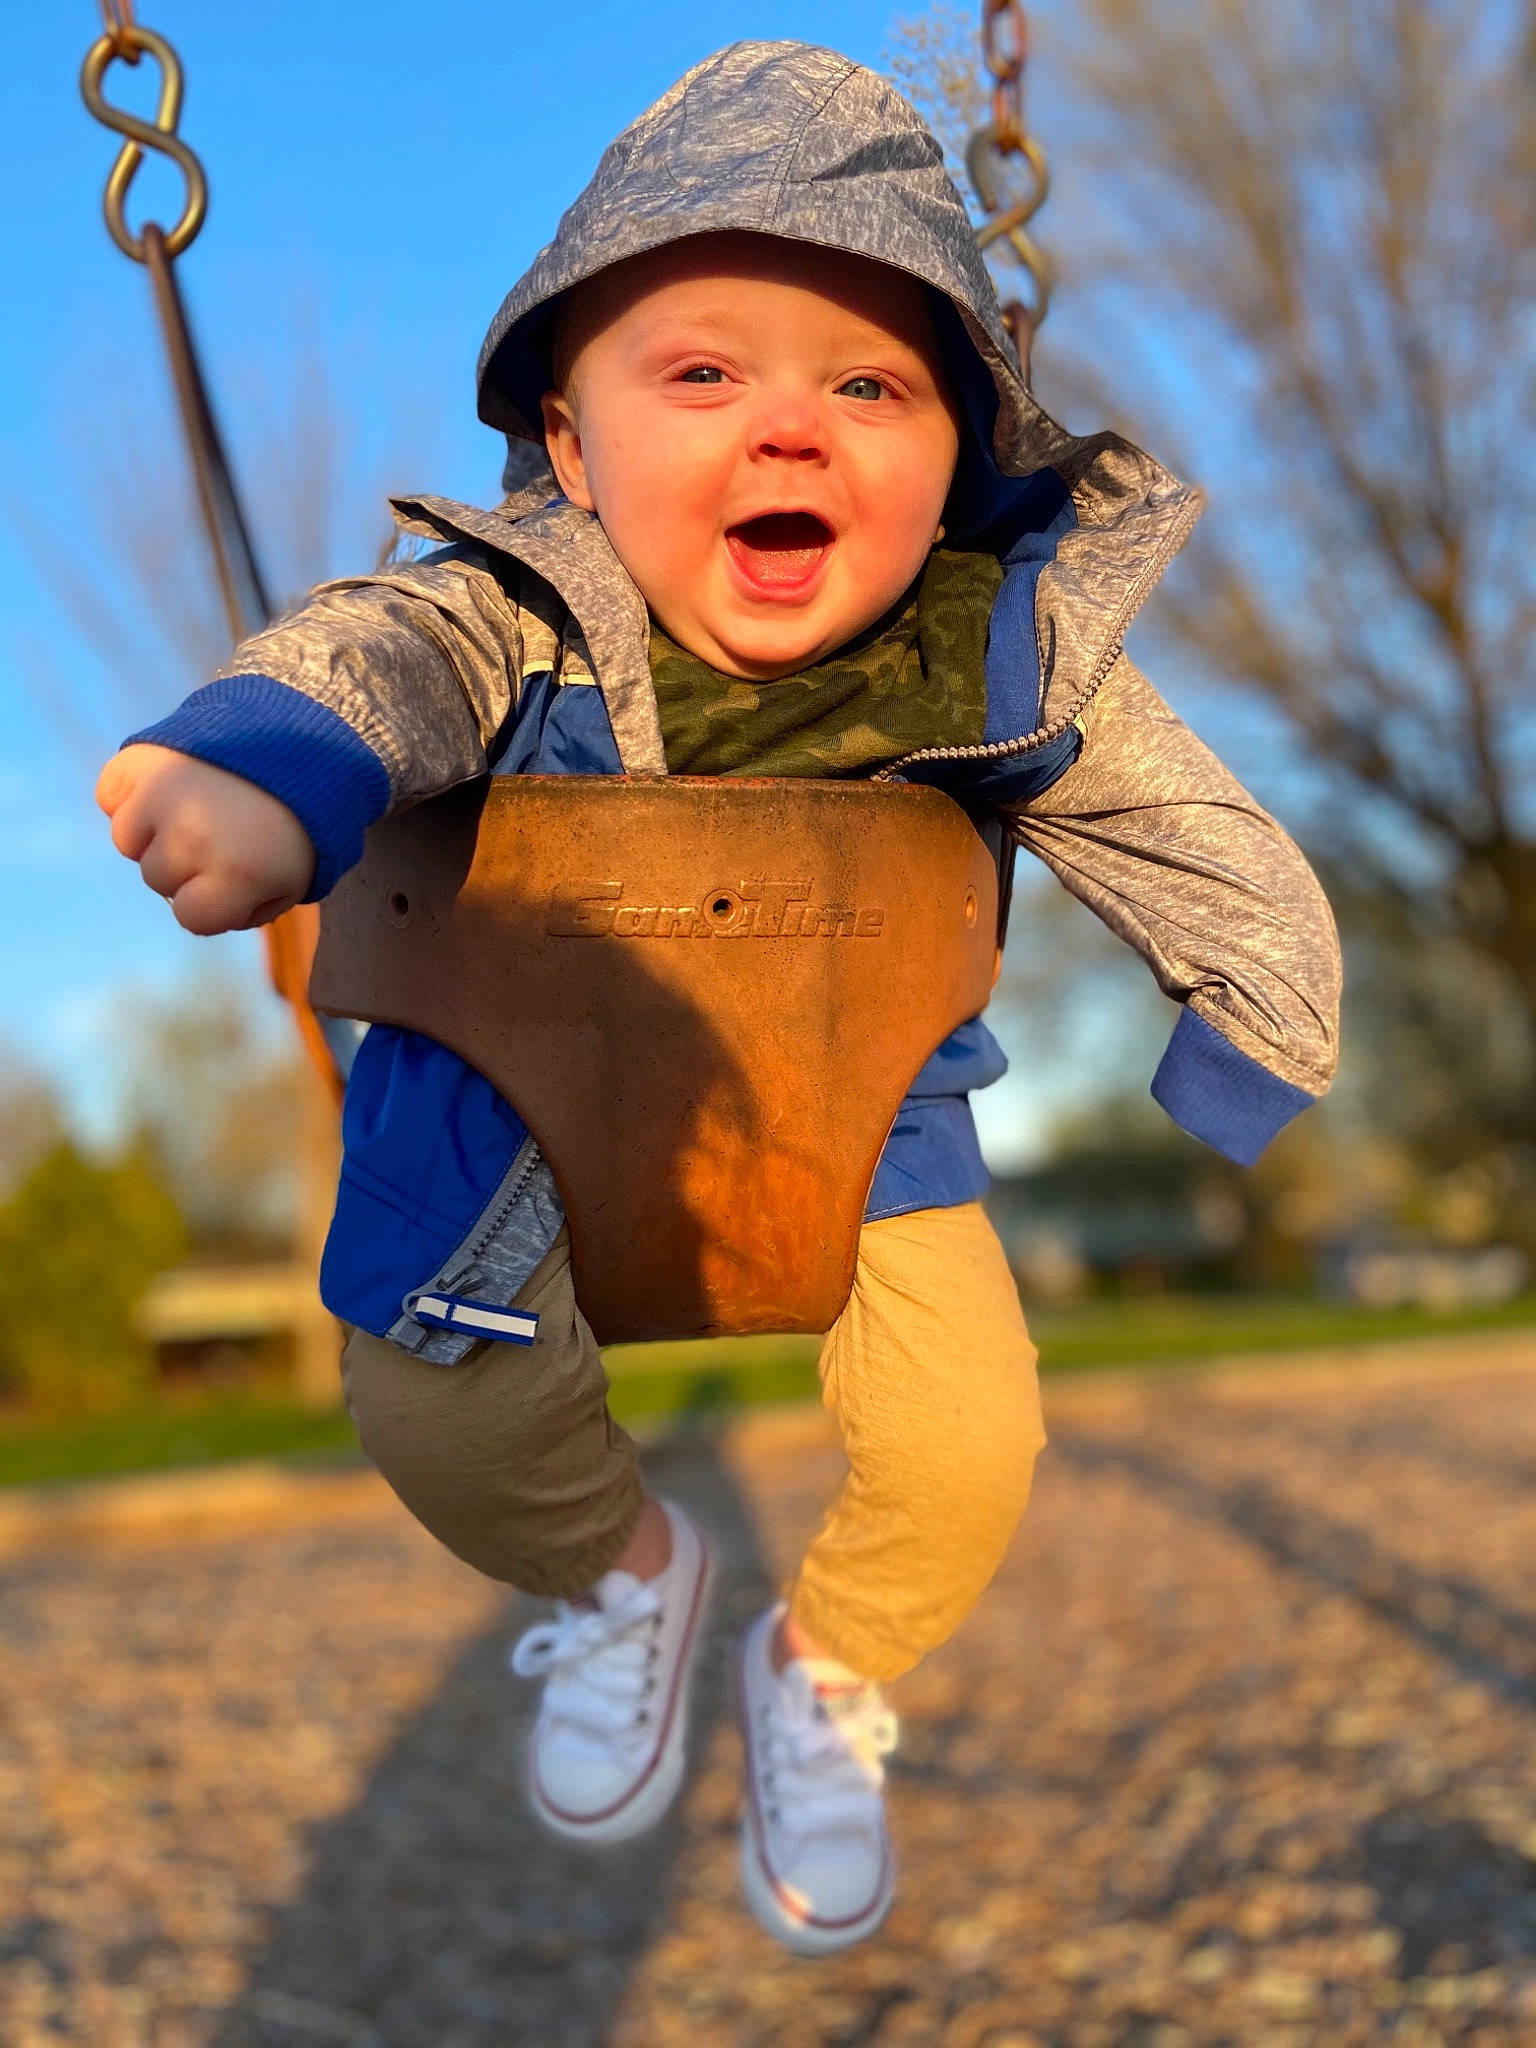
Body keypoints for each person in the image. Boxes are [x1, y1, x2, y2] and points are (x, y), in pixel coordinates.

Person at [96, 43, 1340, 1955]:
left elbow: (1187, 826)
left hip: (870, 1123)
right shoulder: (506, 608)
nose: (791, 430)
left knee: (968, 1446)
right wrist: (265, 771)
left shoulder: (987, 652)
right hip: (499, 1126)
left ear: (958, 458)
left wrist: (1254, 1030)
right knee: (433, 1413)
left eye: (871, 385)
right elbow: (373, 661)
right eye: (702, 374)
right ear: (571, 441)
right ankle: (624, 1578)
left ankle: (824, 1665)